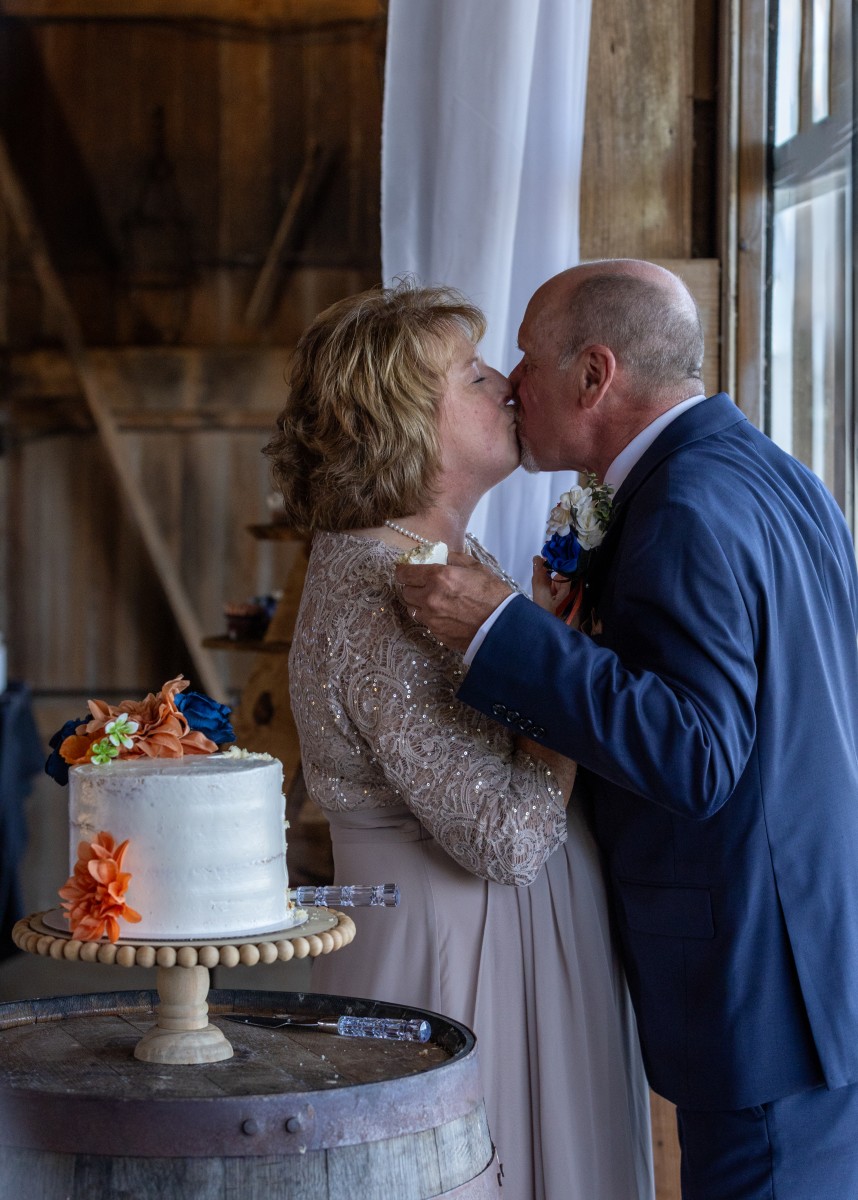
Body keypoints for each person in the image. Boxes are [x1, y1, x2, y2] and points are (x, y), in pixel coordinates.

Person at [396, 258, 858, 1200]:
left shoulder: (685, 505)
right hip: (820, 956)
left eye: (526, 359)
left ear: (593, 374)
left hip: (763, 988)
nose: (512, 383)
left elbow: (697, 755)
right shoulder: (779, 476)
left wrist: (503, 633)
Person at [264, 281, 654, 1200]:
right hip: (452, 962)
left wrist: (540, 640)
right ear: (404, 421)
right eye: (474, 375)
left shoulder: (438, 560)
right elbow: (507, 839)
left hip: (506, 944)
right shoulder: (383, 591)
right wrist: (565, 673)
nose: (508, 385)